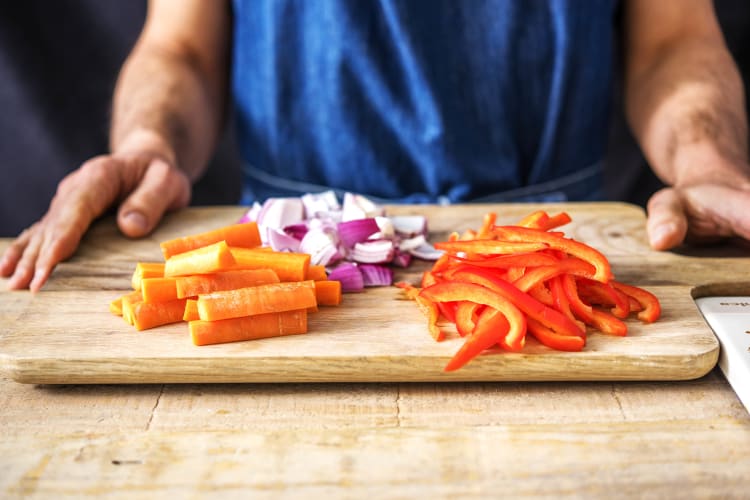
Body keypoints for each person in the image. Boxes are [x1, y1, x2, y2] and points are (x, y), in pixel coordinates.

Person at [2, 0, 750, 292]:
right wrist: (146, 145)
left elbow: (674, 42)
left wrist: (707, 163)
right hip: (296, 273)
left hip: (551, 262)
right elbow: (182, 49)